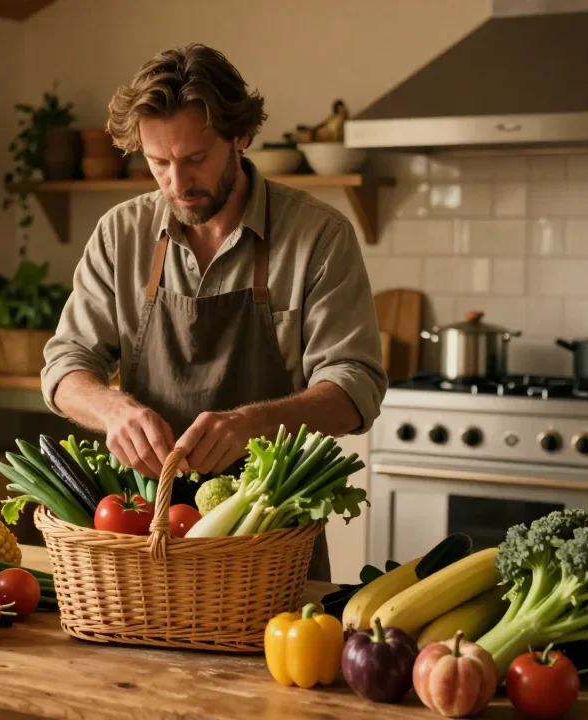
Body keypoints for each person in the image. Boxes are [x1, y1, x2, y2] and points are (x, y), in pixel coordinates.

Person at [39, 44, 386, 580]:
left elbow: (355, 385)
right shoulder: (121, 234)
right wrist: (112, 410)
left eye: (195, 159)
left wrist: (256, 422)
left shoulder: (319, 236)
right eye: (159, 163)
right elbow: (64, 365)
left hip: (271, 536)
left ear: (240, 137)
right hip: (144, 534)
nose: (177, 183)